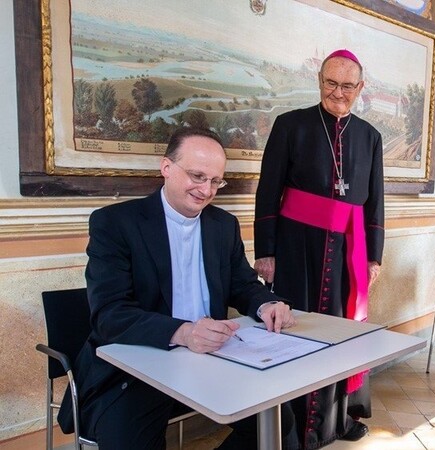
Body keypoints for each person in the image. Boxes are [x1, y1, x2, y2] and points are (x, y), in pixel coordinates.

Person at [56, 127, 297, 449]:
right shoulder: (115, 223)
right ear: (166, 167)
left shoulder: (223, 225)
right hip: (137, 363)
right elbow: (110, 314)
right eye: (197, 176)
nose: (206, 190)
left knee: (278, 422)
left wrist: (266, 304)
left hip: (211, 359)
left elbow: (241, 284)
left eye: (215, 181)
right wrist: (184, 333)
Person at [253, 49, 384, 447]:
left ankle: (336, 420)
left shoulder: (370, 136)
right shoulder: (290, 125)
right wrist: (266, 251)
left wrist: (374, 256)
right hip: (297, 245)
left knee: (345, 331)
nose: (338, 92)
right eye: (331, 82)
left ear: (360, 88)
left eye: (347, 85)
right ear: (319, 81)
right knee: (298, 330)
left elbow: (374, 201)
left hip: (349, 249)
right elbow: (268, 191)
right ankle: (294, 426)